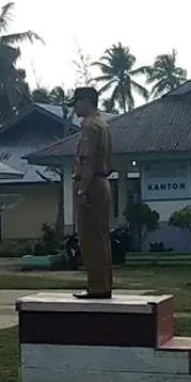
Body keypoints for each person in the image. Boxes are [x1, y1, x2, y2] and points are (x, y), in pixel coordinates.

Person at [71, 86, 115, 300]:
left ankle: (97, 287)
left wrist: (82, 190)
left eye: (78, 102)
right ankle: (104, 284)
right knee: (101, 237)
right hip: (102, 182)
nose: (76, 107)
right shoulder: (103, 124)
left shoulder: (90, 127)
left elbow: (86, 161)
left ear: (88, 101)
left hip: (92, 184)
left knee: (90, 238)